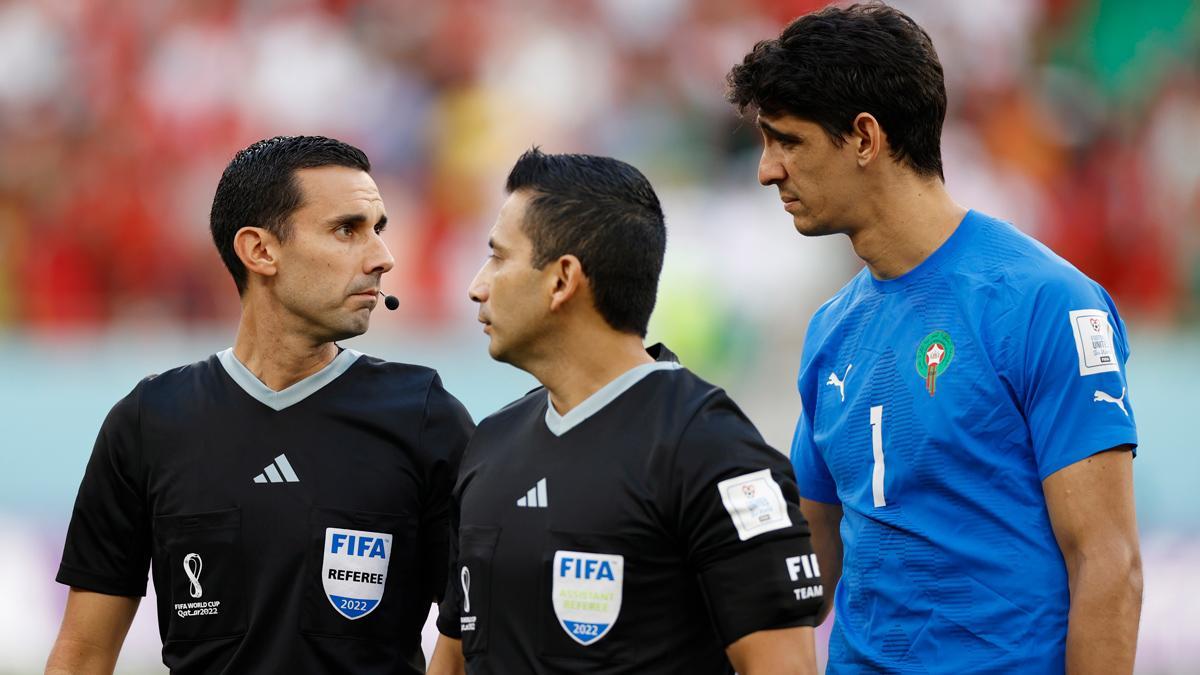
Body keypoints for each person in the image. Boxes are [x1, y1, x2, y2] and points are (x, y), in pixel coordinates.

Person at [725, 4, 1142, 673]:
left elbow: (1107, 563)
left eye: (788, 141)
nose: (767, 170)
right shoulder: (831, 330)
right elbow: (809, 568)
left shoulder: (1043, 303)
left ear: (864, 138)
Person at [46, 136, 473, 674]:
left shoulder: (425, 416)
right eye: (348, 230)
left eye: (379, 229)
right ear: (260, 250)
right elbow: (83, 654)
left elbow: (470, 634)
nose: (383, 257)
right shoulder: (150, 421)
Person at [425, 149, 824, 675]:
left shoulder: (711, 450)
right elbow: (453, 659)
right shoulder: (491, 444)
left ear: (562, 279)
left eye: (498, 257)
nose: (477, 285)